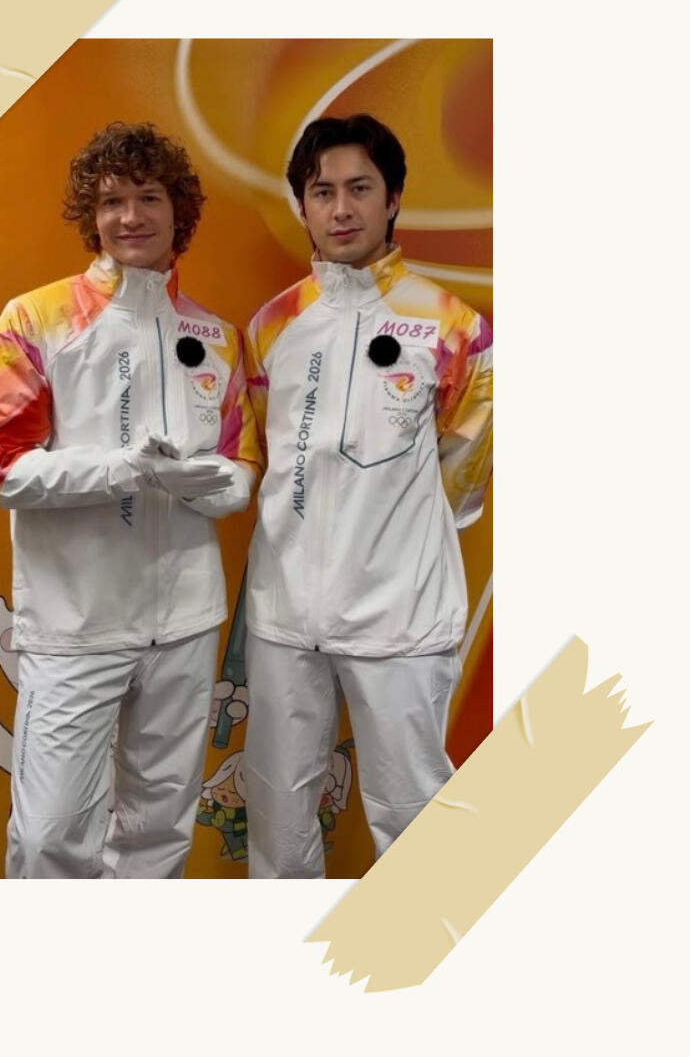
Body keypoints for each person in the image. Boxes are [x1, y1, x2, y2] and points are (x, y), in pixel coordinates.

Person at [0, 122, 261, 878]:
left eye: (148, 197)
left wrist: (216, 487)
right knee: (48, 838)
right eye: (111, 201)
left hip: (186, 622)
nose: (130, 216)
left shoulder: (216, 337)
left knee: (156, 834)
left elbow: (241, 465)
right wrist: (122, 470)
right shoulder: (36, 319)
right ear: (91, 215)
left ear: (178, 211)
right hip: (76, 623)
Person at [242, 113, 493, 878]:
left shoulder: (453, 327)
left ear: (393, 199)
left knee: (414, 823)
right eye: (323, 192)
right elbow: (271, 459)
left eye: (360, 188)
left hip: (400, 620)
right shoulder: (271, 325)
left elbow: (464, 472)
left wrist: (388, 539)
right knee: (277, 822)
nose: (342, 208)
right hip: (284, 618)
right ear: (303, 205)